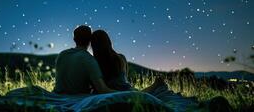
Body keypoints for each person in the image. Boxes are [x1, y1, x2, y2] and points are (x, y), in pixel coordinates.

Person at [90, 30, 233, 112]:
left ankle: (156, 86)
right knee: (162, 94)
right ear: (109, 42)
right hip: (128, 92)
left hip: (120, 93)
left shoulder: (93, 63)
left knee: (158, 94)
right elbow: (125, 83)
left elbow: (99, 86)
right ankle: (156, 86)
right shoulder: (120, 59)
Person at [54, 25, 115, 94]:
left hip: (57, 96)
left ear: (74, 39)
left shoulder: (62, 54)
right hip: (76, 101)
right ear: (90, 40)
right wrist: (122, 93)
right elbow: (102, 90)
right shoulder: (89, 59)